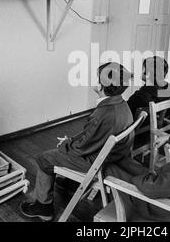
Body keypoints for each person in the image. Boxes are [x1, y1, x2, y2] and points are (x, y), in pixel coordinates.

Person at [19, 62, 133, 221]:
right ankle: (66, 185)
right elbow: (92, 136)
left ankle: (43, 207)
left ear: (100, 86)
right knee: (60, 151)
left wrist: (66, 144)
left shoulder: (103, 113)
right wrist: (72, 140)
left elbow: (82, 147)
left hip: (97, 163)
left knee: (44, 158)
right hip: (113, 156)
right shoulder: (122, 105)